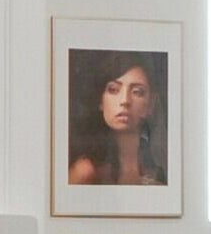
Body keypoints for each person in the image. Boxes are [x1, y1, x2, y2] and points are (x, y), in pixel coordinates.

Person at [65, 56, 163, 188]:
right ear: (101, 100)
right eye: (113, 90)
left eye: (137, 92)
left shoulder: (158, 171)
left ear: (151, 104)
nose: (125, 101)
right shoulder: (86, 171)